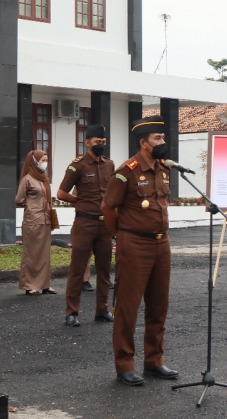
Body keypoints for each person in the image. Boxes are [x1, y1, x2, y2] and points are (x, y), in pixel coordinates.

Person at [102, 115, 178, 386]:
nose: (163, 142)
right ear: (144, 143)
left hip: (162, 243)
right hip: (134, 244)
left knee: (159, 305)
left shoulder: (162, 168)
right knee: (128, 306)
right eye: (158, 138)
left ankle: (154, 361)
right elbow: (108, 208)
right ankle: (125, 364)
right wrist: (119, 235)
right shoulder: (127, 171)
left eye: (163, 138)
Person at [57, 124, 115, 327]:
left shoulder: (110, 165)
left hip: (104, 226)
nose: (101, 145)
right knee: (78, 269)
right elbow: (61, 193)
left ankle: (102, 310)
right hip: (84, 223)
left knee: (104, 269)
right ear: (87, 142)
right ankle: (71, 313)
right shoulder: (77, 165)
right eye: (97, 142)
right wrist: (79, 201)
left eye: (103, 142)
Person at [16, 150, 56, 296]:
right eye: (42, 160)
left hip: (45, 220)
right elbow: (19, 200)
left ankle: (45, 284)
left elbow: (49, 200)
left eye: (46, 160)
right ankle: (30, 285)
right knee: (31, 254)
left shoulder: (44, 178)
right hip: (32, 221)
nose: (45, 163)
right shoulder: (27, 179)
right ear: (33, 161)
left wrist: (53, 220)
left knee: (44, 254)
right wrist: (33, 206)